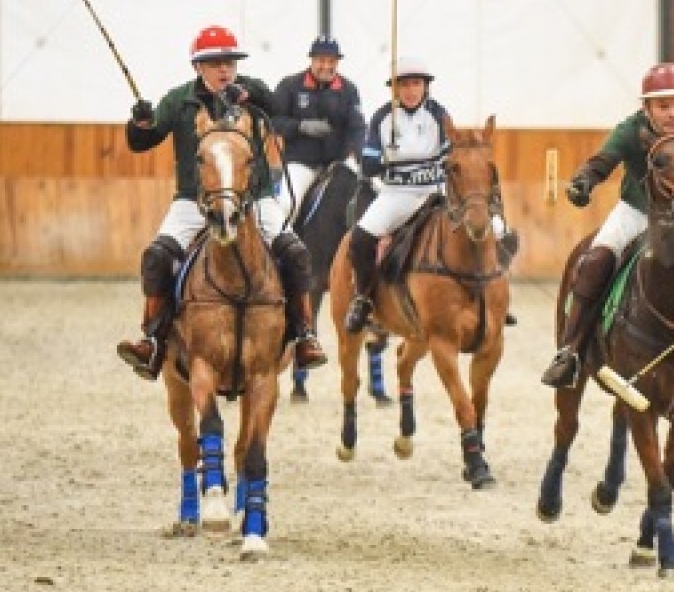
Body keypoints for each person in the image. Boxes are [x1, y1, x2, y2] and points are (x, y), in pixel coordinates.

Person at [115, 25, 328, 380]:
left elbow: (276, 106)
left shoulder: (250, 91)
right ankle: (152, 339)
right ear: (197, 67)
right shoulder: (179, 100)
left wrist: (249, 95)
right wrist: (139, 123)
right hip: (194, 200)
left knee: (296, 253)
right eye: (215, 63)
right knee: (156, 256)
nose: (224, 69)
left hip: (254, 198)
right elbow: (143, 141)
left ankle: (305, 334)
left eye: (229, 62)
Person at [539, 62, 674, 392]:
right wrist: (584, 182)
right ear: (647, 108)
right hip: (637, 211)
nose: (672, 114)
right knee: (594, 263)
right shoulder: (630, 130)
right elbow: (601, 163)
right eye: (663, 106)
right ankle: (570, 351)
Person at [342, 56, 518, 332]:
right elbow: (368, 164)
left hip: (435, 193)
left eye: (417, 84)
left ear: (425, 86)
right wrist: (386, 155)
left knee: (501, 231)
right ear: (395, 88)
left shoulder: (438, 115)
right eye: (404, 85)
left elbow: (453, 156)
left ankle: (496, 296)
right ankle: (363, 299)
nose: (411, 90)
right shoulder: (383, 117)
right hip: (397, 195)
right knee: (361, 239)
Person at [269, 35, 366, 219]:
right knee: (287, 205)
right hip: (301, 163)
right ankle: (281, 237)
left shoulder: (349, 89)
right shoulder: (289, 85)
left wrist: (361, 157)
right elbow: (273, 121)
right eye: (321, 60)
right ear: (312, 59)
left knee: (364, 200)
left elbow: (357, 127)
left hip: (338, 163)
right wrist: (300, 126)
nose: (326, 66)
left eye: (332, 61)